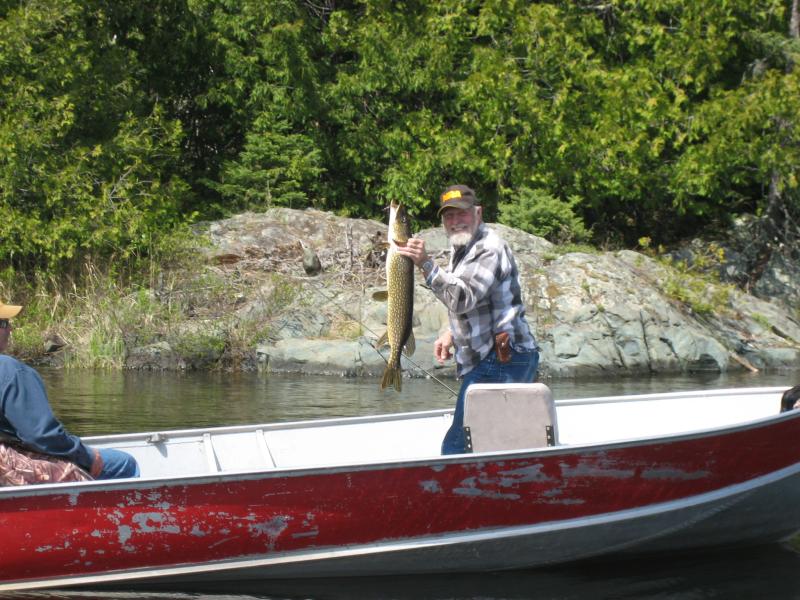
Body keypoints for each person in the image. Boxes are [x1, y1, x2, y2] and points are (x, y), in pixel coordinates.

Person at [397, 184, 540, 454]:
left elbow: (463, 297)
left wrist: (426, 264)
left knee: (459, 447)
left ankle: (461, 492)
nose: (455, 222)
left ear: (477, 212)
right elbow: (473, 301)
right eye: (449, 216)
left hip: (503, 359)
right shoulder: (463, 245)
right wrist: (450, 333)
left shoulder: (489, 247)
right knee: (489, 442)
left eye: (461, 214)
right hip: (491, 359)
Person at [0, 300, 139, 481]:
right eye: (4, 323)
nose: (10, 329)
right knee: (124, 463)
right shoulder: (11, 371)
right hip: (7, 463)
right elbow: (41, 436)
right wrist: (87, 457)